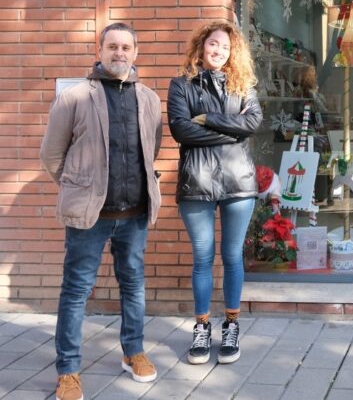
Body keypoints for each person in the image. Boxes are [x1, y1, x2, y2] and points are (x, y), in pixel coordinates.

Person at [40, 23, 163, 400]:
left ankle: (133, 351)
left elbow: (150, 150)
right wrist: (79, 187)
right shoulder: (76, 98)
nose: (119, 53)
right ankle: (68, 370)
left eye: (126, 46)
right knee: (76, 291)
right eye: (112, 46)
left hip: (135, 214)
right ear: (100, 50)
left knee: (133, 287)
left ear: (136, 52)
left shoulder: (149, 99)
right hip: (89, 217)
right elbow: (51, 155)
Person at [167, 21, 263, 366]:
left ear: (232, 51)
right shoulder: (181, 85)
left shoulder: (245, 85)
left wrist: (207, 118)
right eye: (213, 45)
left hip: (239, 184)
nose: (218, 51)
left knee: (233, 256)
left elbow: (252, 124)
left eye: (224, 46)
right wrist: (230, 131)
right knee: (202, 258)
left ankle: (232, 325)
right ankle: (202, 327)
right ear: (201, 47)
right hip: (197, 182)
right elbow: (181, 130)